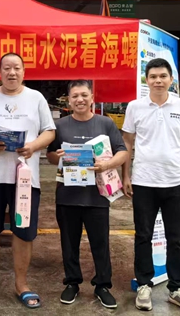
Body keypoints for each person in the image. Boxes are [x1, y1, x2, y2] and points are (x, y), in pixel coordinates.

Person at [0, 53, 56, 309]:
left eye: (16, 68)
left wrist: (33, 146)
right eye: (6, 68)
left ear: (24, 72)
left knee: (24, 233)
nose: (11, 72)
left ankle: (21, 284)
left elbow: (49, 131)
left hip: (25, 179)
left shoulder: (36, 98)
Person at [121, 58, 180, 314]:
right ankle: (144, 285)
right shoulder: (135, 107)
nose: (158, 80)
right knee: (143, 236)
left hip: (176, 182)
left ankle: (177, 288)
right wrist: (126, 175)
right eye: (153, 76)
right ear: (146, 80)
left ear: (171, 79)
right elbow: (127, 143)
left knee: (175, 238)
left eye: (162, 76)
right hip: (143, 182)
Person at [46, 80, 127, 309]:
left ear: (92, 97)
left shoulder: (105, 123)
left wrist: (107, 164)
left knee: (100, 243)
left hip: (97, 195)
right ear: (68, 100)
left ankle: (102, 285)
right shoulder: (60, 126)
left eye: (84, 95)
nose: (79, 100)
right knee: (68, 242)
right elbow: (50, 156)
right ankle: (72, 282)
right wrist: (58, 156)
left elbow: (123, 151)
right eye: (74, 96)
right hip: (67, 195)